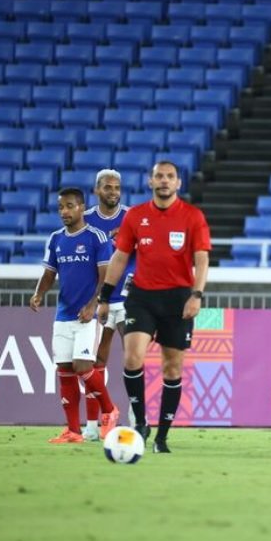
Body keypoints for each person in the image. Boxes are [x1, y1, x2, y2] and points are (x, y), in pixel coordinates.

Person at [97, 161, 211, 454]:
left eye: (169, 176)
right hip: (142, 296)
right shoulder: (136, 216)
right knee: (132, 358)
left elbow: (201, 259)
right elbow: (120, 258)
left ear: (178, 183)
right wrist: (105, 298)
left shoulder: (192, 217)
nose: (164, 181)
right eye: (159, 176)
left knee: (172, 368)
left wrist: (196, 295)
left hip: (178, 299)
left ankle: (162, 436)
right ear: (150, 182)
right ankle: (141, 424)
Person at [30, 187, 120, 444]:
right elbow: (49, 273)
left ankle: (109, 409)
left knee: (83, 367)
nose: (64, 212)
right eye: (60, 207)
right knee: (65, 369)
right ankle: (73, 431)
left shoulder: (97, 237)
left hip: (87, 317)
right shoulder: (56, 238)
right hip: (63, 315)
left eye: (69, 206)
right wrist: (38, 294)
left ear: (82, 207)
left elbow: (105, 277)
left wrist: (94, 304)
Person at [80, 168, 135, 441]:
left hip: (127, 299)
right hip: (98, 301)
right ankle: (92, 424)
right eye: (108, 187)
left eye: (117, 188)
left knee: (132, 359)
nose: (113, 192)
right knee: (95, 361)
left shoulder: (132, 218)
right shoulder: (85, 220)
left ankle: (137, 421)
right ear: (96, 190)